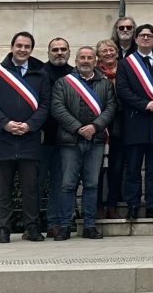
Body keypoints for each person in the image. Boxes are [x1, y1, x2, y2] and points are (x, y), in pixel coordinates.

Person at [0, 31, 51, 243]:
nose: (22, 50)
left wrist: (30, 125)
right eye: (19, 45)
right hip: (1, 139)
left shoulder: (41, 74)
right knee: (3, 189)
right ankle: (3, 229)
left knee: (31, 188)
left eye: (27, 46)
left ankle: (32, 228)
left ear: (31, 49)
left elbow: (45, 105)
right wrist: (6, 124)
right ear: (12, 47)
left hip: (29, 139)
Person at [50, 46, 117, 240]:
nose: (86, 61)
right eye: (82, 58)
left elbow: (111, 108)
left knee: (92, 184)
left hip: (96, 140)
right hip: (70, 141)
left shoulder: (105, 84)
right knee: (67, 184)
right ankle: (64, 226)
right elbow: (57, 108)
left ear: (95, 61)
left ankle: (89, 225)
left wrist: (94, 127)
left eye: (89, 58)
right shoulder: (63, 83)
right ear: (76, 61)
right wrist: (79, 128)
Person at [115, 24, 153, 220]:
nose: (145, 39)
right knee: (133, 168)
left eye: (149, 36)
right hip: (136, 121)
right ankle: (133, 205)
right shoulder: (126, 63)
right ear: (135, 39)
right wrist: (144, 104)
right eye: (142, 36)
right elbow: (123, 91)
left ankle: (152, 204)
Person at [40, 38, 72, 238]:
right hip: (41, 137)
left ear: (69, 52)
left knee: (61, 183)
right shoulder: (39, 73)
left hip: (67, 138)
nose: (59, 53)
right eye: (55, 50)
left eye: (63, 49)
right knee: (36, 182)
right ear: (48, 52)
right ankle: (32, 225)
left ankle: (57, 223)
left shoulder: (75, 74)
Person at [95, 40, 122, 220]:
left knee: (116, 167)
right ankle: (97, 205)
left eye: (111, 49)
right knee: (96, 169)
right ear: (98, 55)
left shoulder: (126, 69)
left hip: (120, 125)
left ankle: (113, 204)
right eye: (104, 51)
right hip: (98, 124)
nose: (108, 53)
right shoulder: (94, 73)